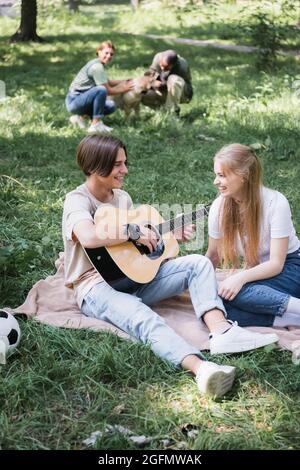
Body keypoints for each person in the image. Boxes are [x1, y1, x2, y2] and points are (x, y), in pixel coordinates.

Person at [62, 135, 278, 398]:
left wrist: (165, 238)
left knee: (198, 264)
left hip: (132, 280)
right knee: (141, 316)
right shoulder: (77, 200)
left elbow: (130, 254)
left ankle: (221, 331)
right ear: (96, 166)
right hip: (94, 286)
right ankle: (202, 369)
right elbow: (90, 236)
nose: (125, 170)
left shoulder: (121, 198)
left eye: (125, 163)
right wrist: (132, 231)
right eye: (118, 164)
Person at [206, 143, 300, 328]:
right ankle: (291, 319)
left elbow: (276, 264)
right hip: (259, 272)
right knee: (217, 307)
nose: (215, 181)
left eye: (222, 175)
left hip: (291, 267)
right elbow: (213, 255)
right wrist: (198, 280)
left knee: (238, 292)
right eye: (216, 175)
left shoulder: (276, 203)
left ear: (244, 176)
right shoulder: (219, 206)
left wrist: (240, 278)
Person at [65, 40, 134, 134]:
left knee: (111, 105)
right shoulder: (97, 67)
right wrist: (124, 89)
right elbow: (107, 90)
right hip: (74, 101)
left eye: (111, 54)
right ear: (99, 51)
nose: (109, 56)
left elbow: (108, 82)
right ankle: (95, 125)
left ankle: (79, 118)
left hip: (80, 100)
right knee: (101, 90)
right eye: (106, 53)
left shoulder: (98, 63)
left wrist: (126, 80)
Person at [141, 49, 193, 115]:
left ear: (173, 65)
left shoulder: (181, 66)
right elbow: (150, 74)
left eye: (166, 67)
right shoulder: (158, 57)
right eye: (161, 65)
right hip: (165, 90)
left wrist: (160, 84)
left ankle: (172, 111)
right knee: (143, 94)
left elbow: (175, 85)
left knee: (173, 79)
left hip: (182, 93)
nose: (162, 68)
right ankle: (163, 113)